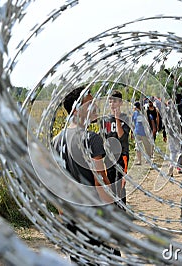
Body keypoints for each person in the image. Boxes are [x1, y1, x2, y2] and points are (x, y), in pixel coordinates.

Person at [52, 86, 121, 260]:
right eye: (89, 103)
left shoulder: (56, 140)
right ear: (76, 110)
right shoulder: (92, 139)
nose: (96, 106)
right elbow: (100, 180)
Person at [101, 90, 130, 205]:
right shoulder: (105, 120)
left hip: (122, 156)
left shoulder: (125, 118)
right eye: (110, 102)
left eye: (115, 102)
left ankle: (122, 209)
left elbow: (122, 136)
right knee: (110, 183)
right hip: (109, 157)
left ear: (121, 103)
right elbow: (103, 137)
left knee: (120, 185)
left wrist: (117, 119)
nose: (112, 104)